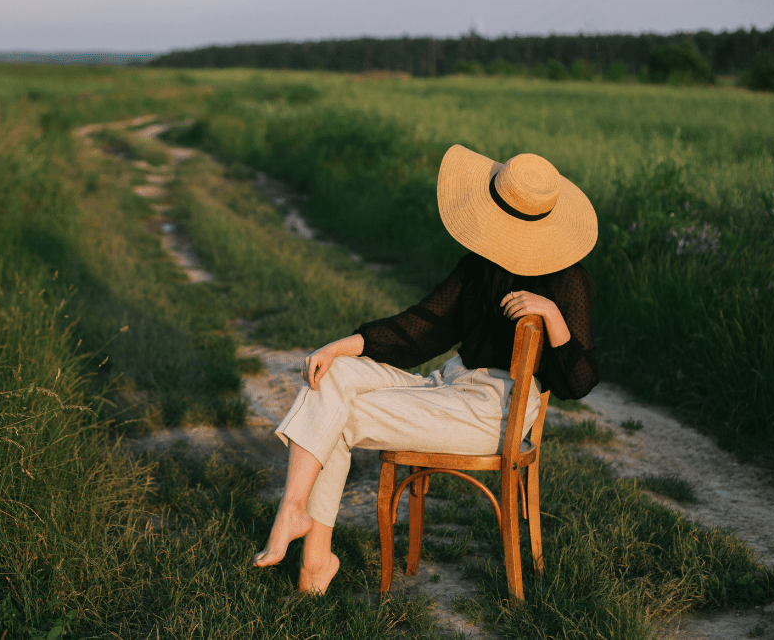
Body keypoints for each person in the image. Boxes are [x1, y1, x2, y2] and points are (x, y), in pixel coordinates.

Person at [253, 145, 600, 594]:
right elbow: (421, 328)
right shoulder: (479, 265)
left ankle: (314, 558)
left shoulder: (568, 280)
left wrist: (553, 316)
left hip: (493, 412)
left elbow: (580, 382)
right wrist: (341, 346)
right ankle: (296, 519)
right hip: (448, 385)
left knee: (337, 415)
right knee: (334, 376)